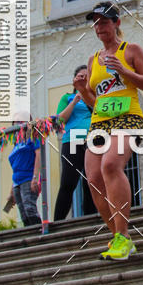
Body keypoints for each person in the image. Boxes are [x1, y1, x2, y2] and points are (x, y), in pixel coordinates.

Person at [77, 1, 143, 262]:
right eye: (96, 23)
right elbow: (95, 101)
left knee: (111, 165)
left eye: (104, 21)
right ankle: (119, 237)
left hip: (128, 116)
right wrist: (82, 89)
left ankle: (122, 235)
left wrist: (124, 71)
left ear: (116, 23)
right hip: (100, 121)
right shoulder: (93, 60)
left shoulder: (130, 50)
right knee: (93, 177)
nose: (100, 27)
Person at [53, 66, 97, 221]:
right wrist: (76, 100)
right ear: (74, 80)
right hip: (72, 140)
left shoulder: (94, 97)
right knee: (68, 182)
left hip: (93, 140)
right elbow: (60, 120)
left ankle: (90, 218)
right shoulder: (67, 97)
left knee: (91, 180)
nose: (83, 79)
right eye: (80, 76)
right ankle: (58, 221)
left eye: (86, 76)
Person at [8, 117, 41, 227]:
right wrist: (11, 190)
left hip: (28, 178)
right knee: (23, 212)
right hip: (17, 182)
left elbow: (38, 155)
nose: (18, 124)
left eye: (20, 121)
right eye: (15, 122)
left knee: (29, 207)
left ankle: (38, 234)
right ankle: (30, 236)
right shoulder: (16, 144)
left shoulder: (32, 138)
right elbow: (15, 168)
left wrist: (35, 177)